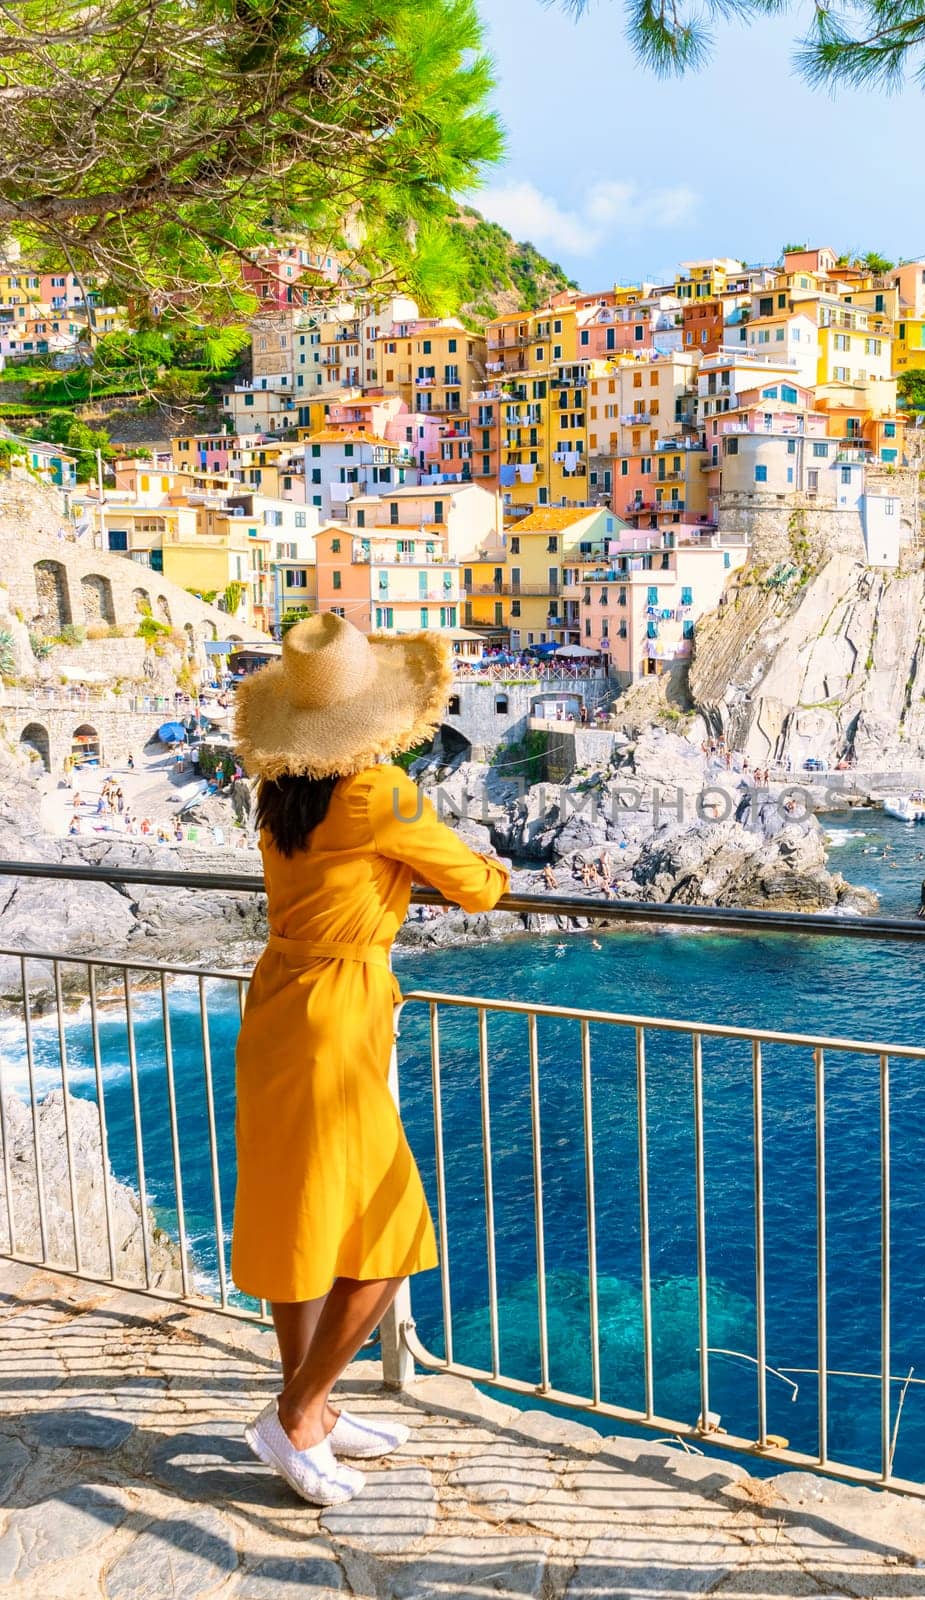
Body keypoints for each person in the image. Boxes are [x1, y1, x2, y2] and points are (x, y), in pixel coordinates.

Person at [230, 614, 509, 1508]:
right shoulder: (380, 792)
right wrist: (486, 868)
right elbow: (474, 884)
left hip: (277, 1006)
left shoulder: (281, 791)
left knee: (300, 1218)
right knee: (391, 1231)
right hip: (337, 1020)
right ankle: (297, 1412)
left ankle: (313, 1407)